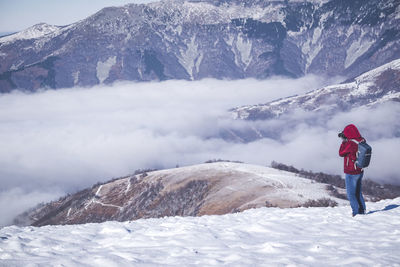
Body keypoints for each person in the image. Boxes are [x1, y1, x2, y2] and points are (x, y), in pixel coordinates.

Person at [338, 124, 366, 217]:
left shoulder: (350, 143)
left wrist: (343, 142)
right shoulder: (361, 140)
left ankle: (356, 213)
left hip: (351, 172)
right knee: (358, 192)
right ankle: (362, 210)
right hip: (359, 170)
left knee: (351, 194)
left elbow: (341, 153)